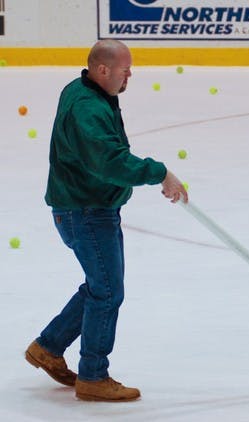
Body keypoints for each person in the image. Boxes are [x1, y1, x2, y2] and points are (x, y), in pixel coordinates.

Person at [24, 39, 188, 402]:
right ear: (102, 70)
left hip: (86, 206)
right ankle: (93, 376)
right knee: (108, 291)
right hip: (86, 210)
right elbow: (110, 162)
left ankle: (48, 347)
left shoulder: (83, 89)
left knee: (101, 287)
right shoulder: (88, 109)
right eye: (125, 69)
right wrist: (160, 173)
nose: (130, 74)